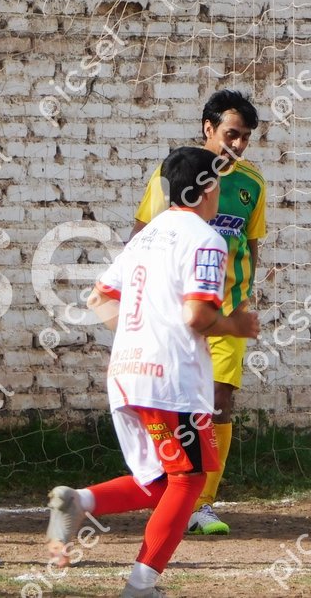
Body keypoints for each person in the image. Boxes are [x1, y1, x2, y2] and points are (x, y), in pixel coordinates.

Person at [45, 147, 260, 597]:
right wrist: (236, 325)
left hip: (127, 372)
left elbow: (99, 299)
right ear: (206, 188)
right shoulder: (206, 239)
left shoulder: (146, 237)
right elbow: (198, 316)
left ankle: (79, 502)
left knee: (161, 480)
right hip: (170, 379)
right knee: (189, 479)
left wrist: (140, 333)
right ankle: (141, 585)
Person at [130, 90, 265, 535]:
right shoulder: (174, 172)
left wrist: (242, 300)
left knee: (219, 401)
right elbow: (142, 234)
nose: (239, 145)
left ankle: (202, 503)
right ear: (209, 128)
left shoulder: (252, 183)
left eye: (245, 138)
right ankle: (168, 486)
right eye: (232, 134)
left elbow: (252, 245)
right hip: (176, 311)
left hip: (226, 312)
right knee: (171, 404)